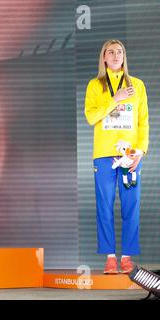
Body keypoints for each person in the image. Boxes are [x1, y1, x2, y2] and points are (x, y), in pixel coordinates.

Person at [85, 39, 149, 274]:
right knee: (105, 205)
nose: (115, 55)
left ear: (124, 56)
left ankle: (128, 258)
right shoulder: (95, 85)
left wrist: (140, 151)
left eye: (119, 51)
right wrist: (115, 99)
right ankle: (111, 257)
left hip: (130, 155)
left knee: (131, 205)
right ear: (103, 57)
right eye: (110, 52)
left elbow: (144, 122)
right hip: (103, 155)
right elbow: (91, 117)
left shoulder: (138, 85)